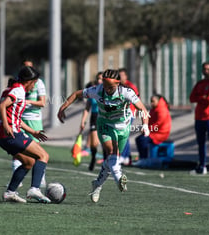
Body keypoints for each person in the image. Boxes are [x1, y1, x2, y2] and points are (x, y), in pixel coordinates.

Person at [57, 69, 150, 203]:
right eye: (105, 86)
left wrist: (145, 125)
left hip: (123, 127)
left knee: (112, 159)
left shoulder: (127, 92)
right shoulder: (97, 90)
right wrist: (62, 107)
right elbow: (77, 94)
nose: (107, 89)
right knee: (111, 153)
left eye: (110, 87)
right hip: (104, 125)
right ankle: (119, 178)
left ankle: (97, 185)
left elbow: (143, 109)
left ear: (118, 84)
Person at [0, 66, 51, 203]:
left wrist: (33, 132)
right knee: (43, 156)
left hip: (2, 136)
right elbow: (2, 106)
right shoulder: (18, 90)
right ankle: (35, 189)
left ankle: (10, 192)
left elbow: (15, 118)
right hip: (11, 134)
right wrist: (6, 125)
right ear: (30, 81)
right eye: (35, 82)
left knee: (28, 162)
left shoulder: (10, 89)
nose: (34, 86)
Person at [10, 59, 47, 187]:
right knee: (17, 150)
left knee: (37, 151)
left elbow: (42, 102)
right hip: (19, 118)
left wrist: (28, 103)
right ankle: (17, 179)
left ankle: (40, 179)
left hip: (33, 119)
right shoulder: (17, 84)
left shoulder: (39, 83)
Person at [189, 62, 209, 175]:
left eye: (208, 69)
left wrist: (201, 98)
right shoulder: (200, 83)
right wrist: (202, 97)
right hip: (199, 117)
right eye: (204, 69)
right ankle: (202, 166)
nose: (206, 71)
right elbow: (192, 98)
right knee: (201, 142)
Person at [135, 94, 172, 159]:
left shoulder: (162, 109)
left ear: (158, 101)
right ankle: (142, 158)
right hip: (155, 132)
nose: (151, 103)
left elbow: (158, 123)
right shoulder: (155, 109)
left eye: (153, 101)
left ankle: (145, 158)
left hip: (161, 133)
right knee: (139, 139)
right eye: (151, 101)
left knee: (143, 140)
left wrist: (147, 129)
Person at [79, 72, 103, 171]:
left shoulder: (107, 91)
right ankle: (93, 157)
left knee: (105, 141)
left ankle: (106, 160)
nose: (99, 80)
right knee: (94, 143)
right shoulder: (93, 91)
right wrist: (83, 121)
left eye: (101, 79)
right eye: (98, 78)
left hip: (104, 117)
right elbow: (87, 108)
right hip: (94, 117)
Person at [119, 68, 140, 165]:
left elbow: (137, 99)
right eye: (119, 75)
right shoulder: (117, 86)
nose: (121, 77)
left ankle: (124, 156)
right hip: (119, 114)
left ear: (126, 76)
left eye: (122, 75)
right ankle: (126, 157)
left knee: (124, 134)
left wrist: (135, 111)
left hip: (129, 113)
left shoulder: (131, 86)